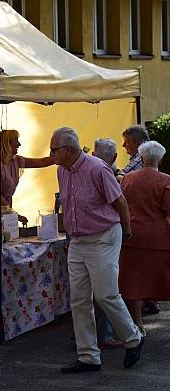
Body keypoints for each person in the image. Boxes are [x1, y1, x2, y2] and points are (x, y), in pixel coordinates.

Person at [50, 127, 144, 374]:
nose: (51, 155)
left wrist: (126, 232)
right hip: (79, 241)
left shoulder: (97, 168)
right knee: (79, 299)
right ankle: (88, 356)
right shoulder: (62, 170)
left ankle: (133, 337)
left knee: (105, 294)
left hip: (103, 236)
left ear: (68, 149)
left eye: (54, 150)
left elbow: (120, 202)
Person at [119, 140, 170, 337]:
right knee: (163, 278)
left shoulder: (128, 179)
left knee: (135, 281)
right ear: (161, 159)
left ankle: (137, 323)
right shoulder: (166, 180)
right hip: (160, 239)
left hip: (133, 237)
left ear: (141, 158)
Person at [90, 138, 124, 349]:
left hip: (85, 237)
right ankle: (108, 335)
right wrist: (127, 229)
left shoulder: (86, 169)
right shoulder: (104, 172)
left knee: (87, 293)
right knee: (106, 290)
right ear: (114, 157)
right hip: (102, 236)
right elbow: (120, 202)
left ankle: (85, 335)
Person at [121, 126, 159, 315]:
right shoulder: (163, 179)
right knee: (148, 268)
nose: (124, 145)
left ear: (138, 145)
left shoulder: (135, 169)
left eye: (127, 142)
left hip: (137, 226)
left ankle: (139, 319)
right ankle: (149, 301)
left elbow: (122, 180)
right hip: (151, 229)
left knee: (137, 271)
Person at [0, 129, 54, 225]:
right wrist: (15, 214)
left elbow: (41, 162)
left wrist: (58, 158)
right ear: (7, 144)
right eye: (16, 140)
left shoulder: (16, 161)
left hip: (5, 208)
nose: (19, 144)